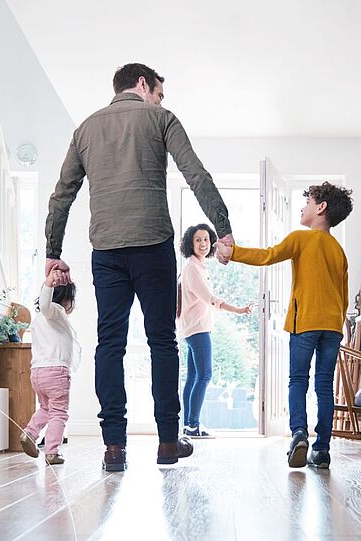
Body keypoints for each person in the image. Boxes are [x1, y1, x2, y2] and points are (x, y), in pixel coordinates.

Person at [44, 63, 234, 471]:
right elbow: (196, 175)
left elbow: (62, 196)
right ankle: (168, 442)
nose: (161, 100)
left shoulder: (85, 129)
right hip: (153, 246)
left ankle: (114, 447)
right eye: (159, 92)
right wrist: (223, 229)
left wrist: (52, 250)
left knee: (109, 344)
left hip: (107, 251)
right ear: (144, 84)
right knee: (162, 341)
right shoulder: (161, 119)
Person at [215, 182, 353, 469]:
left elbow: (267, 256)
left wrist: (233, 252)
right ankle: (322, 450)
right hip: (332, 326)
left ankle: (299, 434)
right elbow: (344, 295)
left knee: (298, 380)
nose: (303, 207)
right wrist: (339, 325)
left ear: (321, 207)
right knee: (325, 386)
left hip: (305, 323)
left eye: (308, 202)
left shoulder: (301, 239)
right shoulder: (339, 251)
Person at [178, 224, 253, 438]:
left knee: (194, 377)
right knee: (204, 375)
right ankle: (192, 425)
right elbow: (210, 299)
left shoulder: (196, 266)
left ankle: (189, 425)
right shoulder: (192, 268)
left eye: (205, 239)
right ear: (190, 244)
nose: (203, 244)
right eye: (198, 240)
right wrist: (238, 310)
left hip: (193, 327)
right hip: (197, 329)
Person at [20, 269, 81, 465]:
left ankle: (29, 433)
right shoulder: (55, 311)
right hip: (56, 372)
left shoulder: (39, 320)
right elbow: (46, 304)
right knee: (59, 412)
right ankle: (52, 452)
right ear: (66, 300)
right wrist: (48, 284)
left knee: (46, 408)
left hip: (38, 373)